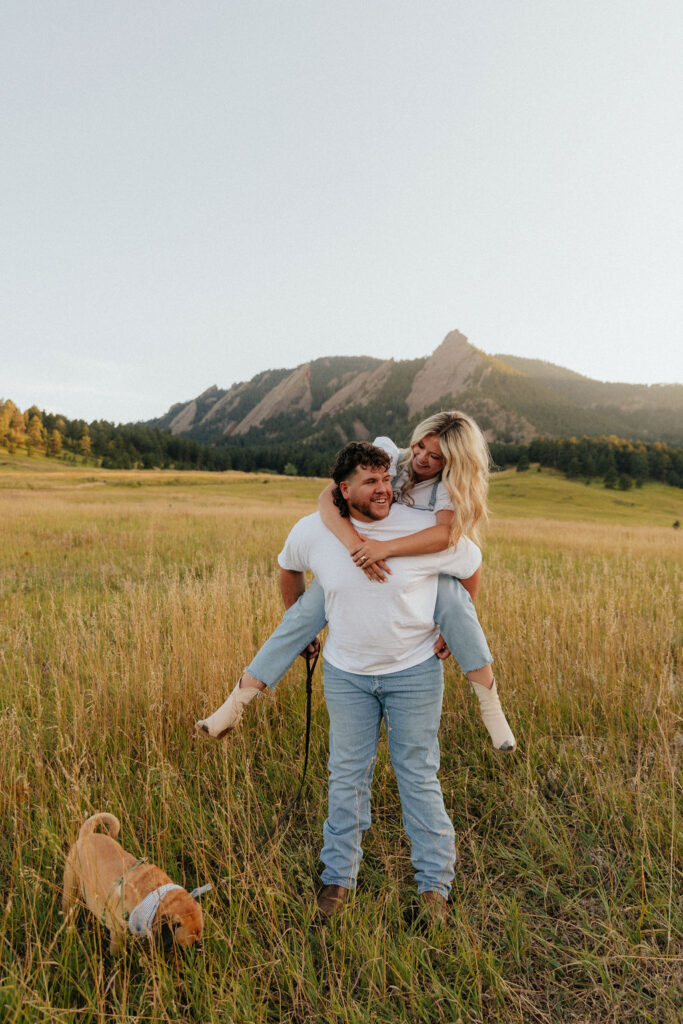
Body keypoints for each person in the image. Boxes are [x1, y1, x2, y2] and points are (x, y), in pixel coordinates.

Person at [251, 441, 487, 918]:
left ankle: (434, 888)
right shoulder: (316, 528)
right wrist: (299, 629)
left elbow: (470, 564)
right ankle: (338, 879)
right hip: (346, 674)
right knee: (346, 777)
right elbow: (288, 567)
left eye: (386, 481)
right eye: (371, 482)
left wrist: (452, 623)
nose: (383, 489)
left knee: (418, 776)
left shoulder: (422, 524)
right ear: (343, 489)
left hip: (414, 672)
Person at [196, 411, 515, 752]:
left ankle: (491, 707)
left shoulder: (448, 488)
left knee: (455, 602)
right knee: (301, 616)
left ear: (455, 461)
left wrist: (386, 550)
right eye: (419, 445)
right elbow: (327, 498)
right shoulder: (389, 458)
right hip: (363, 552)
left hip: (424, 564)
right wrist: (357, 547)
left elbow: (446, 537)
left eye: (434, 456)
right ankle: (236, 703)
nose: (421, 457)